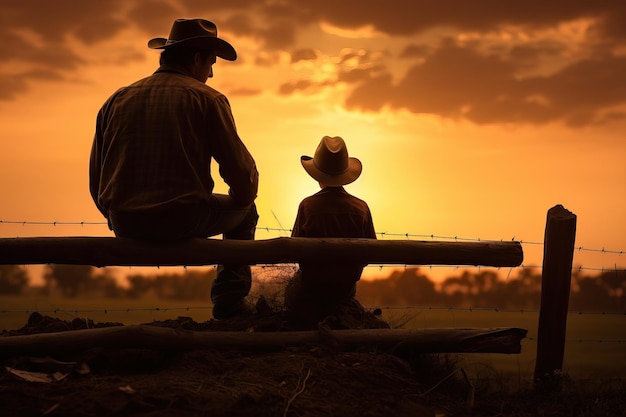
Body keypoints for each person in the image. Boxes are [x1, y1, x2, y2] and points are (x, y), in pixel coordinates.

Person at [89, 18, 259, 319]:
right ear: (196, 60)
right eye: (211, 63)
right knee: (248, 211)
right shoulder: (207, 99)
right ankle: (229, 302)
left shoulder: (116, 99)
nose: (212, 73)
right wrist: (241, 194)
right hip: (182, 219)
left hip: (125, 221)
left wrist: (118, 215)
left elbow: (97, 181)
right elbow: (243, 181)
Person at [286, 136, 377, 326]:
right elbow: (370, 252)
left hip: (312, 286)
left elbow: (295, 248)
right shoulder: (361, 208)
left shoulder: (307, 206)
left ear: (318, 176)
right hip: (346, 287)